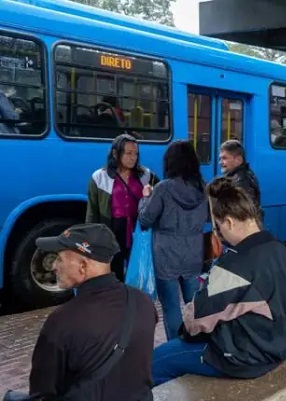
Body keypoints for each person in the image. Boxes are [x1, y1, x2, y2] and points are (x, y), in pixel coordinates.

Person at [151, 178, 286, 386]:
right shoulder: (280, 249)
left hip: (246, 357)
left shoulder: (234, 264)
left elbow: (197, 321)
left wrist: (190, 314)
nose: (219, 234)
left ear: (229, 222)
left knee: (152, 363)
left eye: (218, 227)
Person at [5, 224, 157, 400]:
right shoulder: (143, 301)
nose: (54, 266)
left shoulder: (62, 321)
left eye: (59, 259)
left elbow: (42, 393)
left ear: (83, 266)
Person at [138, 141, 209, 341]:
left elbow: (145, 220)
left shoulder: (162, 189)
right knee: (194, 303)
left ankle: (177, 345)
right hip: (194, 254)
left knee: (171, 306)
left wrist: (144, 199)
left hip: (165, 256)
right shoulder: (203, 188)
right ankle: (198, 340)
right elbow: (210, 218)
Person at [86, 133, 158, 281]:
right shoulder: (99, 177)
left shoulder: (145, 175)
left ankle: (135, 301)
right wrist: (92, 240)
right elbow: (92, 213)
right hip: (112, 232)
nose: (133, 158)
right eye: (128, 153)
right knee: (114, 274)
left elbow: (160, 198)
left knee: (137, 274)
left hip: (138, 231)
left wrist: (150, 195)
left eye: (136, 154)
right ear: (115, 153)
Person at [219, 139, 261, 212]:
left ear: (238, 160)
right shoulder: (243, 176)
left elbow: (242, 213)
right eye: (220, 159)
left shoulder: (240, 182)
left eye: (224, 158)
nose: (220, 162)